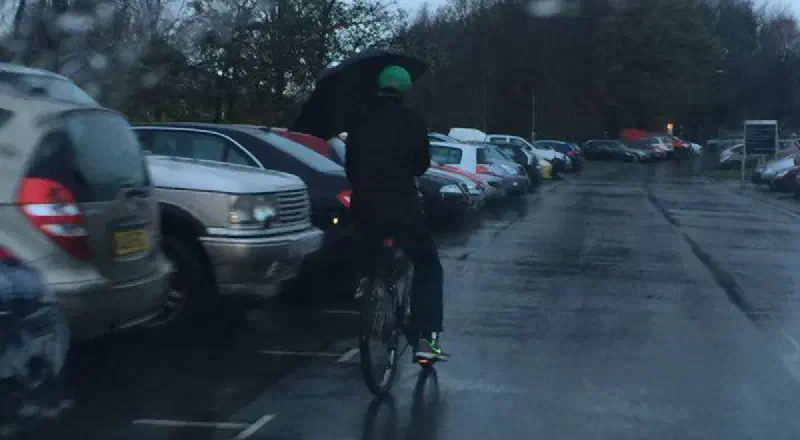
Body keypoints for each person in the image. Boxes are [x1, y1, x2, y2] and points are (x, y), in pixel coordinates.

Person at [345, 65, 449, 362]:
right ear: (404, 90)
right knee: (428, 265)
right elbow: (421, 166)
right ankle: (426, 339)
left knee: (370, 248)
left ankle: (368, 283)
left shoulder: (359, 120)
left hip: (366, 206)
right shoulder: (413, 121)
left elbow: (351, 168)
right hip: (403, 206)